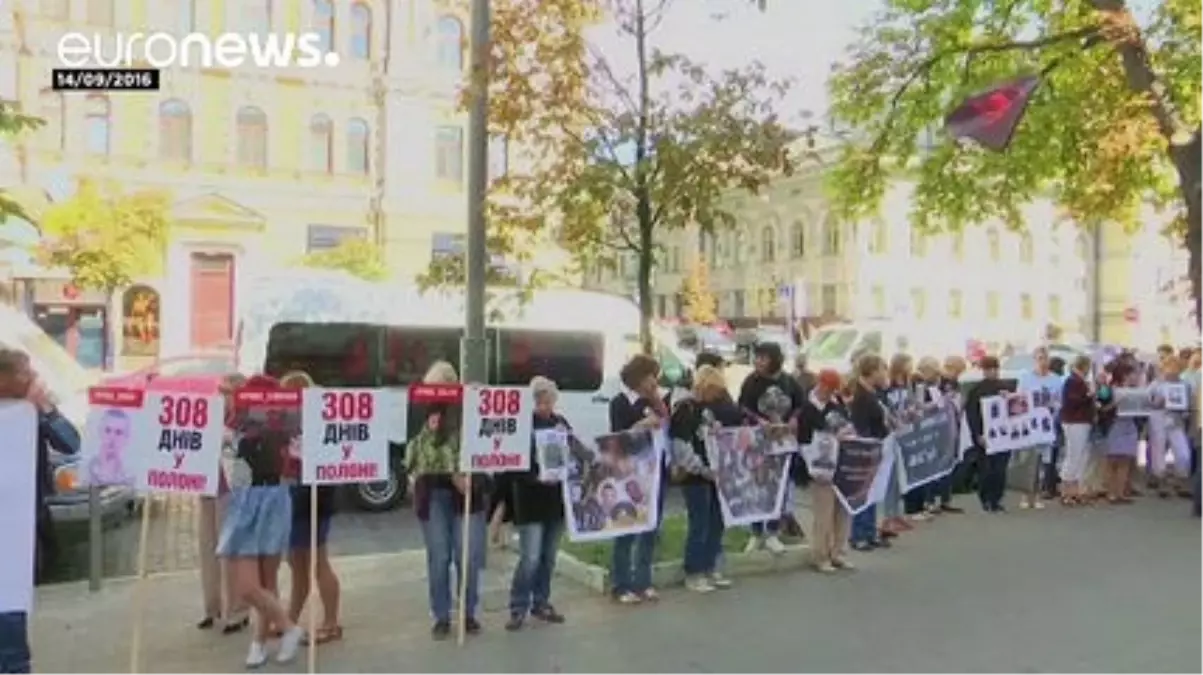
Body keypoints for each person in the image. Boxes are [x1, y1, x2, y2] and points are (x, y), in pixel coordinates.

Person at [0, 348, 81, 674]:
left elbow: (71, 443)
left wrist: (45, 410)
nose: (33, 379)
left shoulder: (29, 413)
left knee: (11, 627)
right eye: (25, 372)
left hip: (17, 536)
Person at [217, 374, 304, 667]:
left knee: (265, 582)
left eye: (228, 392)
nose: (225, 396)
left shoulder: (259, 425)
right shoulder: (233, 423)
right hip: (249, 503)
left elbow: (294, 460)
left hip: (268, 500)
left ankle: (259, 643)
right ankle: (288, 628)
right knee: (249, 586)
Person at [406, 361, 487, 639]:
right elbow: (413, 453)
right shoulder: (417, 408)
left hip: (467, 495)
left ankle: (468, 613)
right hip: (432, 493)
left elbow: (485, 449)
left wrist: (471, 479)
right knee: (439, 557)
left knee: (469, 556)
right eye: (432, 388)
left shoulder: (469, 408)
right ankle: (441, 616)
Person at [278, 371, 343, 646]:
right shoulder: (291, 421)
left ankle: (331, 622)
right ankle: (289, 619)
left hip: (314, 495)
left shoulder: (316, 420)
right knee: (297, 562)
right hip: (296, 495)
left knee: (316, 561)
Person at [669, 364, 741, 593]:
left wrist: (716, 430)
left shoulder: (705, 409)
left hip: (714, 471)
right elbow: (681, 446)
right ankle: (693, 571)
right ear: (704, 386)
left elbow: (709, 435)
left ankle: (710, 567)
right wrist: (701, 468)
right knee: (699, 524)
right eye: (714, 391)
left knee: (716, 521)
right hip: (695, 475)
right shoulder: (685, 408)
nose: (716, 396)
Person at [505, 376, 569, 630]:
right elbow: (513, 467)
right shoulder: (522, 426)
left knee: (548, 557)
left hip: (555, 501)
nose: (546, 405)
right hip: (530, 500)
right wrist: (536, 477)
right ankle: (518, 606)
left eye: (549, 400)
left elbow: (572, 453)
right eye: (541, 400)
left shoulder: (560, 423)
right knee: (530, 557)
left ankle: (541, 602)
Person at [608, 354, 668, 604]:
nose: (652, 382)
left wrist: (656, 400)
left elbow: (666, 421)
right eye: (647, 377)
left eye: (655, 376)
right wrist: (643, 424)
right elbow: (619, 436)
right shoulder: (620, 402)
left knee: (650, 527)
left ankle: (644, 580)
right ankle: (621, 584)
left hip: (655, 469)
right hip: (630, 472)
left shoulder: (657, 399)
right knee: (627, 526)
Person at [738, 342, 804, 552]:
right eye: (756, 357)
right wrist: (759, 421)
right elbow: (741, 407)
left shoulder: (789, 382)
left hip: (783, 443)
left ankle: (773, 531)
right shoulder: (751, 382)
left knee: (780, 487)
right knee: (758, 486)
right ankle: (756, 532)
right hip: (759, 443)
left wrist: (794, 420)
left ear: (774, 360)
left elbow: (800, 405)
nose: (758, 361)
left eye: (763, 358)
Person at [196, 373, 249, 634]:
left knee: (230, 552)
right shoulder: (210, 414)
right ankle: (211, 605)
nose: (222, 396)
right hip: (206, 485)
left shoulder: (243, 419)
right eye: (221, 391)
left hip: (229, 489)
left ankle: (237, 610)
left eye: (227, 392)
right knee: (207, 547)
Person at [800, 369, 853, 572]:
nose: (829, 392)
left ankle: (839, 552)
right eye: (826, 388)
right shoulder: (807, 408)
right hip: (818, 464)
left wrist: (846, 432)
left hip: (839, 462)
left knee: (842, 509)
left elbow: (846, 424)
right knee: (823, 512)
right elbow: (804, 439)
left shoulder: (836, 405)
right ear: (819, 384)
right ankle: (820, 555)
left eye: (832, 389)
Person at [848, 353, 891, 551]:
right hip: (867, 448)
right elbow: (860, 425)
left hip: (878, 444)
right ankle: (858, 535)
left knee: (874, 491)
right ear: (872, 372)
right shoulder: (861, 396)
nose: (884, 374)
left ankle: (870, 531)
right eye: (882, 370)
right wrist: (868, 445)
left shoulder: (874, 393)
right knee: (864, 492)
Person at [1015, 346, 1063, 510]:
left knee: (1043, 462)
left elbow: (1060, 402)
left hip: (1047, 426)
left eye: (1045, 358)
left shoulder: (1056, 379)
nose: (1043, 361)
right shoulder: (1025, 378)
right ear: (1034, 360)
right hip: (1029, 426)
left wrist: (1053, 407)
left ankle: (1036, 495)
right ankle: (1024, 495)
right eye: (1039, 358)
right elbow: (1018, 399)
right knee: (1027, 460)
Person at [964, 356, 1011, 512]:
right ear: (984, 371)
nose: (993, 372)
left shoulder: (1006, 388)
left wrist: (1008, 397)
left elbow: (1016, 408)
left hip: (1003, 435)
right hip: (984, 434)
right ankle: (986, 499)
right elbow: (972, 414)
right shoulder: (976, 391)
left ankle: (996, 499)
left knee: (1000, 468)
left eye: (995, 369)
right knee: (986, 469)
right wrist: (977, 434)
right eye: (989, 369)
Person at [887, 354, 924, 531]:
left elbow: (911, 402)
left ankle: (897, 514)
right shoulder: (889, 385)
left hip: (905, 431)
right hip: (893, 433)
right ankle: (888, 516)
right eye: (908, 364)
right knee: (891, 477)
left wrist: (913, 411)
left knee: (901, 475)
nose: (911, 367)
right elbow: (887, 407)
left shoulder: (908, 383)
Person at [1147, 355, 1193, 498]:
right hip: (1159, 419)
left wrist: (1186, 410)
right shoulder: (1156, 384)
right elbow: (1147, 402)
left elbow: (1188, 403)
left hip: (1176, 420)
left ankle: (1180, 480)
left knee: (1183, 453)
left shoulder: (1184, 384)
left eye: (1176, 368)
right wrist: (1156, 403)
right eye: (1169, 368)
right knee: (1158, 451)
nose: (1172, 371)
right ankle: (1162, 482)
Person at [1059, 355, 1096, 506]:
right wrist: (1089, 396)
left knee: (1082, 454)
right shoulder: (1072, 381)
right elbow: (1073, 401)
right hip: (1074, 421)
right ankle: (1066, 490)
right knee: (1074, 453)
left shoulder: (1079, 381)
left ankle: (1076, 489)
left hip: (1081, 421)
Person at [1099, 361, 1136, 504]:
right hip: (1113, 425)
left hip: (1129, 424)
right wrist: (1115, 403)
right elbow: (1101, 407)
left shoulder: (1135, 390)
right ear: (1124, 374)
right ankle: (1111, 492)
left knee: (1125, 460)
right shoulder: (1108, 389)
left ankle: (1121, 493)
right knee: (1112, 460)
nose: (1136, 376)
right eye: (1133, 373)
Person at [88, 409, 133, 486]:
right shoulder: (86, 469)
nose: (112, 437)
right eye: (107, 430)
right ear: (100, 432)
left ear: (126, 438)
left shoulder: (130, 476)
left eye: (118, 433)